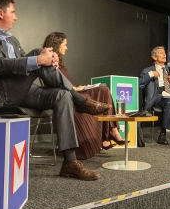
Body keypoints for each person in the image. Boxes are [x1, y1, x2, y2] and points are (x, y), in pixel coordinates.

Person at [0, 0, 112, 180]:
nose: (15, 17)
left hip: (20, 91)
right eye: (13, 12)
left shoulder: (12, 40)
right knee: (37, 54)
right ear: (1, 13)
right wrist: (39, 59)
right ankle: (81, 101)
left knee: (62, 95)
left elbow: (25, 66)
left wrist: (48, 61)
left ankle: (70, 163)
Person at [42, 32, 125, 160]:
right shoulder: (48, 63)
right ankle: (107, 135)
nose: (66, 47)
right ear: (57, 45)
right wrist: (75, 88)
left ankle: (112, 130)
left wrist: (77, 88)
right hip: (65, 98)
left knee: (103, 90)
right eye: (65, 45)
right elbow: (55, 86)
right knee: (101, 91)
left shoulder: (60, 64)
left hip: (74, 93)